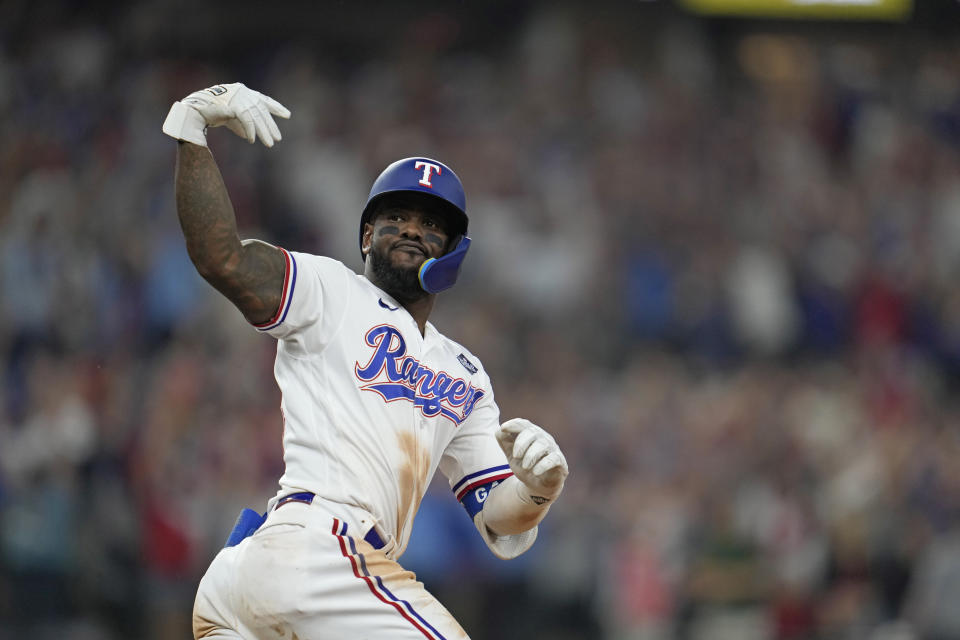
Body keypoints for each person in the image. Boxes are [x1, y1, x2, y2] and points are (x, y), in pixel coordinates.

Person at [162, 82, 569, 639]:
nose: (410, 229)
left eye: (431, 225)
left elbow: (498, 515)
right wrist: (191, 130)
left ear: (453, 254)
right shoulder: (330, 289)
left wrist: (537, 490)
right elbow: (222, 258)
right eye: (395, 218)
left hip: (268, 579)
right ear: (365, 238)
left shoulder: (466, 373)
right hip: (319, 551)